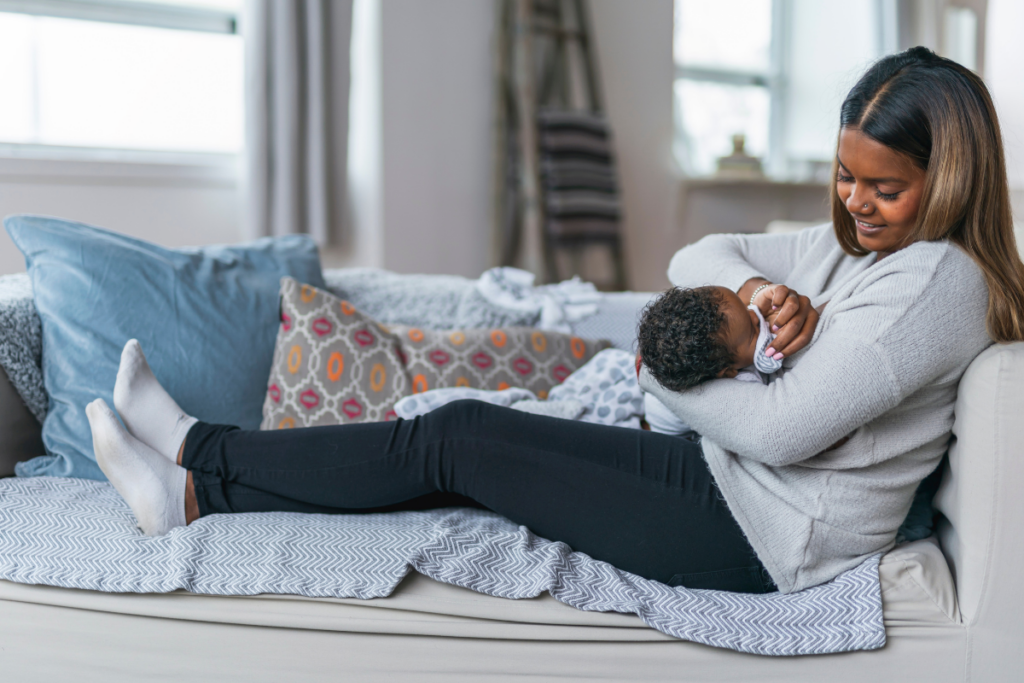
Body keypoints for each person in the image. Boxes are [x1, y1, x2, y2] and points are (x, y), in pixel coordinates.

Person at [86, 47, 1024, 595]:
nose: (855, 203)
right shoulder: (858, 250)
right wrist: (750, 294)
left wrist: (662, 376)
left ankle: (199, 460)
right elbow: (692, 256)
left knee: (455, 442)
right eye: (844, 175)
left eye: (885, 188)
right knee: (454, 439)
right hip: (724, 482)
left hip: (769, 538)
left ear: (949, 178)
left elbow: (781, 432)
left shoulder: (940, 283)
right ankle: (195, 483)